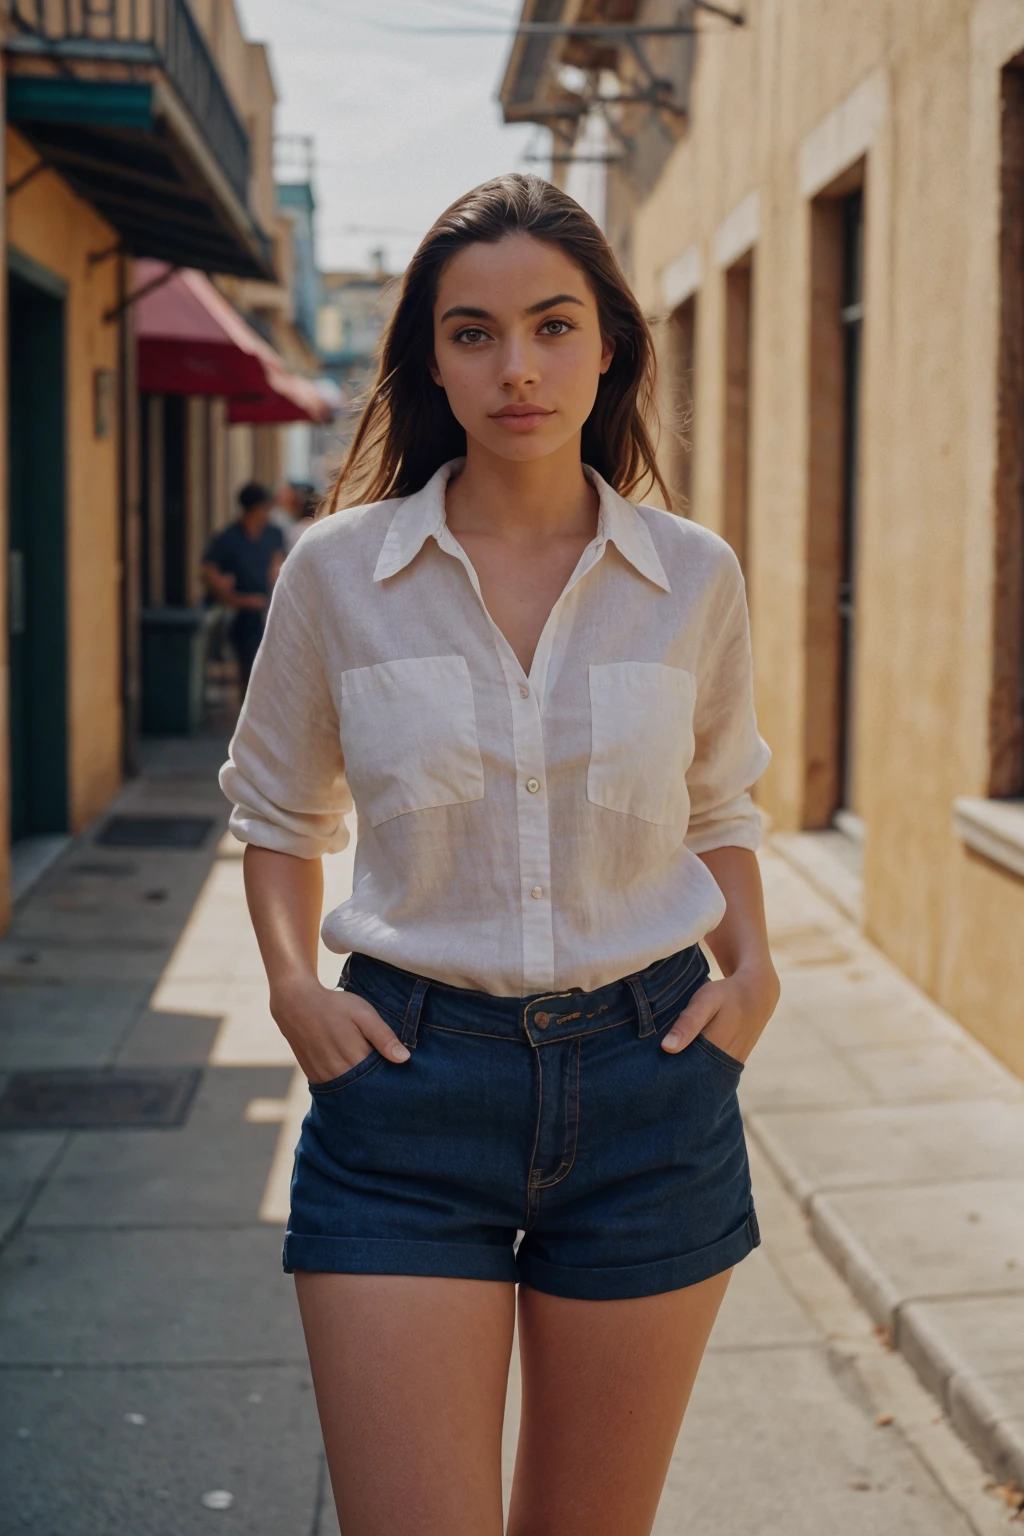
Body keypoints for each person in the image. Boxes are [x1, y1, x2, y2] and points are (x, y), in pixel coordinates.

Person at [220, 174, 779, 1536]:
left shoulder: (694, 576)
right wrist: (297, 988)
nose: (516, 366)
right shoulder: (335, 573)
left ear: (609, 347)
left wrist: (754, 972)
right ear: (428, 356)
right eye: (472, 332)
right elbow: (280, 813)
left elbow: (722, 802)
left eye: (551, 324)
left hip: (652, 1088)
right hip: (406, 1092)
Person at [201, 482, 283, 698]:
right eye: (263, 508)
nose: (267, 514)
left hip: (270, 611)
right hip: (241, 616)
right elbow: (208, 571)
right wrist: (234, 598)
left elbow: (279, 563)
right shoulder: (228, 539)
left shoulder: (274, 533)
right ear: (252, 509)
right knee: (249, 669)